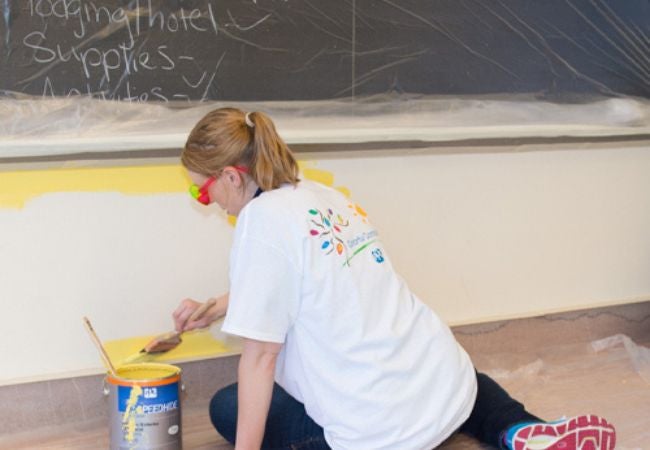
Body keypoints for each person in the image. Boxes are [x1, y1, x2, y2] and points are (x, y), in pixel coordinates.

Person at [172, 107, 616, 450]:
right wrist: (213, 308)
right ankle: (522, 430)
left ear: (231, 176)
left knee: (227, 407)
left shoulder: (259, 222)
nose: (206, 202)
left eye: (201, 191)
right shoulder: (318, 195)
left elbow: (260, 359)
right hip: (443, 382)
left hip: (380, 427)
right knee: (458, 378)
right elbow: (304, 278)